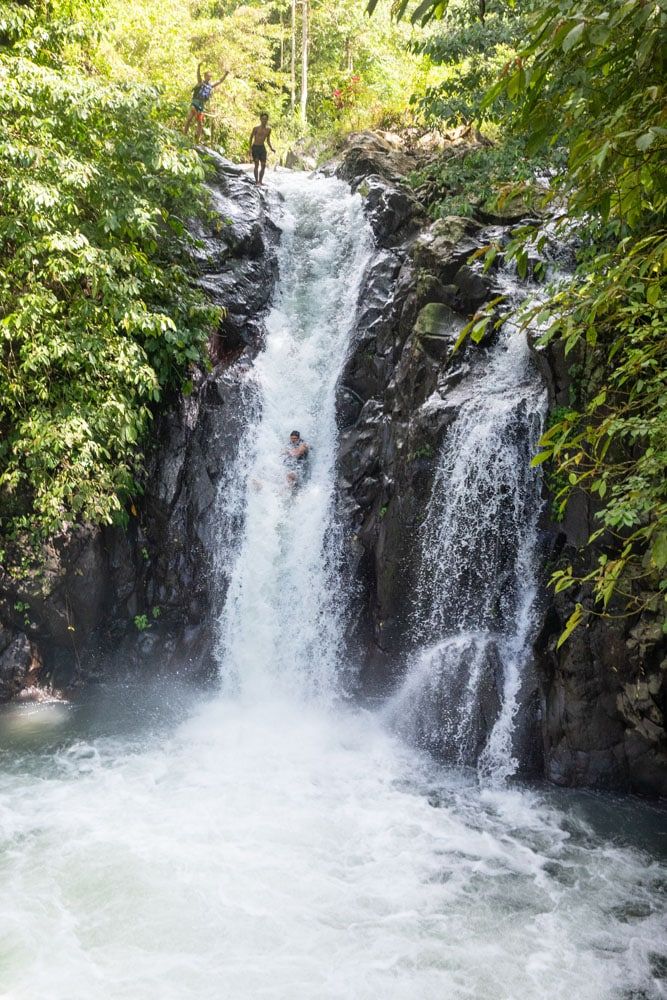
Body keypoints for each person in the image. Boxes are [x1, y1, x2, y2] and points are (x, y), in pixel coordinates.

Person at [184, 64, 229, 143]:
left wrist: (225, 74)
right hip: (195, 103)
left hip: (201, 105)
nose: (209, 78)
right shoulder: (200, 82)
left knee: (200, 123)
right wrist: (198, 67)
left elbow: (220, 81)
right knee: (189, 118)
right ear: (205, 76)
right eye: (208, 76)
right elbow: (198, 75)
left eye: (210, 76)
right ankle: (184, 134)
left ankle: (197, 140)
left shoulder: (210, 85)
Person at [249, 113, 275, 186]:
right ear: (260, 119)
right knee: (256, 164)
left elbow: (268, 140)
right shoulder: (256, 128)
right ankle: (256, 181)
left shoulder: (268, 130)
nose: (264, 120)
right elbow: (251, 138)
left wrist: (271, 148)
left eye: (266, 119)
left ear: (267, 120)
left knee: (263, 165)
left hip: (262, 148)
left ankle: (260, 181)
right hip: (255, 147)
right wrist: (250, 148)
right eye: (263, 119)